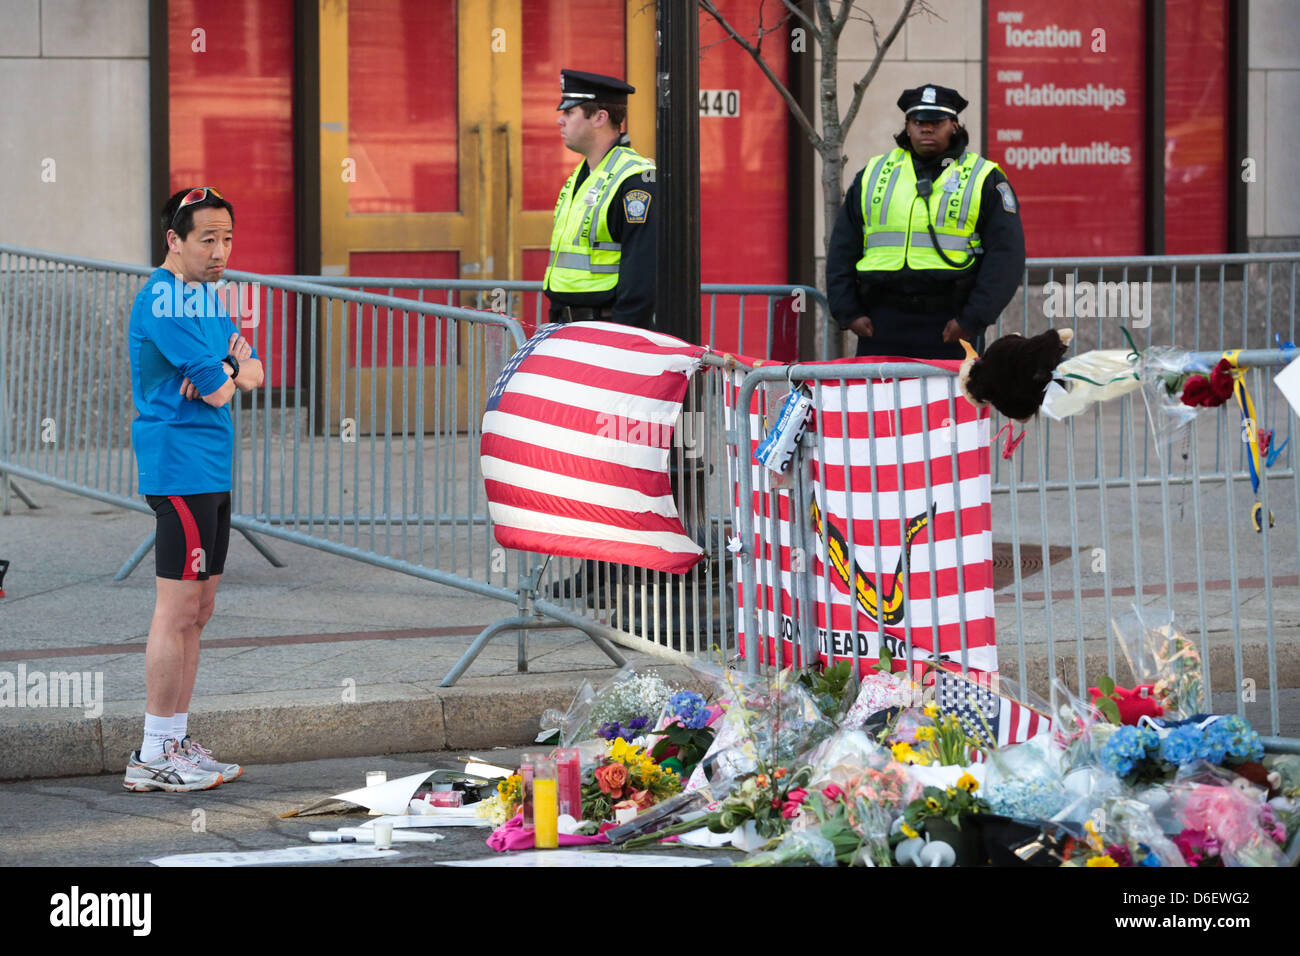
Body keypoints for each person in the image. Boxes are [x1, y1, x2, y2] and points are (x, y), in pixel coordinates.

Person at [123, 186, 264, 792]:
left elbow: (256, 369)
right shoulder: (163, 301)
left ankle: (176, 740)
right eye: (207, 238)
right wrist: (228, 370)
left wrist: (231, 369)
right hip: (178, 468)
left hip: (212, 468)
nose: (220, 250)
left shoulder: (205, 296)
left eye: (227, 238)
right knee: (177, 609)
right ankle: (153, 752)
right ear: (172, 240)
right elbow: (222, 388)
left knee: (200, 612)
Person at [827, 84, 1026, 360]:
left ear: (954, 126)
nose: (927, 129)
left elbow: (1007, 255)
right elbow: (843, 246)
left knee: (949, 404)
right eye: (918, 121)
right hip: (880, 322)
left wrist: (973, 319)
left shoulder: (984, 177)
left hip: (950, 322)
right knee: (884, 403)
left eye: (936, 122)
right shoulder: (874, 173)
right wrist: (848, 311)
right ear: (907, 126)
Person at [544, 69, 657, 328]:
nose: (561, 121)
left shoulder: (636, 180)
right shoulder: (582, 175)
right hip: (568, 327)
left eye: (569, 112)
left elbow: (642, 274)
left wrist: (621, 339)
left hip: (607, 331)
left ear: (599, 117)